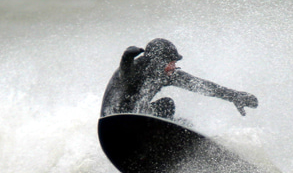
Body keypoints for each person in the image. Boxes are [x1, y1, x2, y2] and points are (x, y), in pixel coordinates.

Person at [100, 38, 258, 119]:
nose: (174, 66)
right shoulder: (134, 70)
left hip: (137, 120)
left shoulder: (164, 75)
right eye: (171, 62)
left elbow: (200, 85)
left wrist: (234, 96)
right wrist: (127, 57)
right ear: (157, 62)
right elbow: (125, 72)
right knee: (167, 106)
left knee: (166, 106)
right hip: (113, 119)